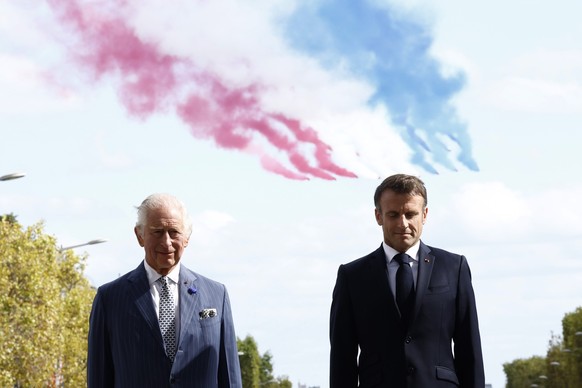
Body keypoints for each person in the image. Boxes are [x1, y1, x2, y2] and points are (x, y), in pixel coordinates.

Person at [330, 174, 485, 388]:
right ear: (378, 216)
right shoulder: (352, 276)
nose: (403, 223)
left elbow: (470, 349)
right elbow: (342, 358)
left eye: (410, 214)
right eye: (393, 214)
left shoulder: (454, 268)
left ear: (425, 215)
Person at [88, 193, 242, 387]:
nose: (166, 242)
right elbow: (99, 378)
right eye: (157, 231)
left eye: (174, 232)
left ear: (186, 238)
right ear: (140, 235)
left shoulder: (216, 296)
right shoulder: (109, 299)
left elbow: (229, 376)